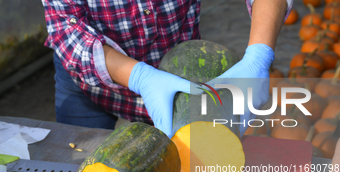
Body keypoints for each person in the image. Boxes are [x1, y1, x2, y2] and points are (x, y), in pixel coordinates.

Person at [42, 0, 292, 138]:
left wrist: (259, 56)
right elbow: (65, 27)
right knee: (79, 168)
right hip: (87, 82)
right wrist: (140, 77)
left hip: (180, 78)